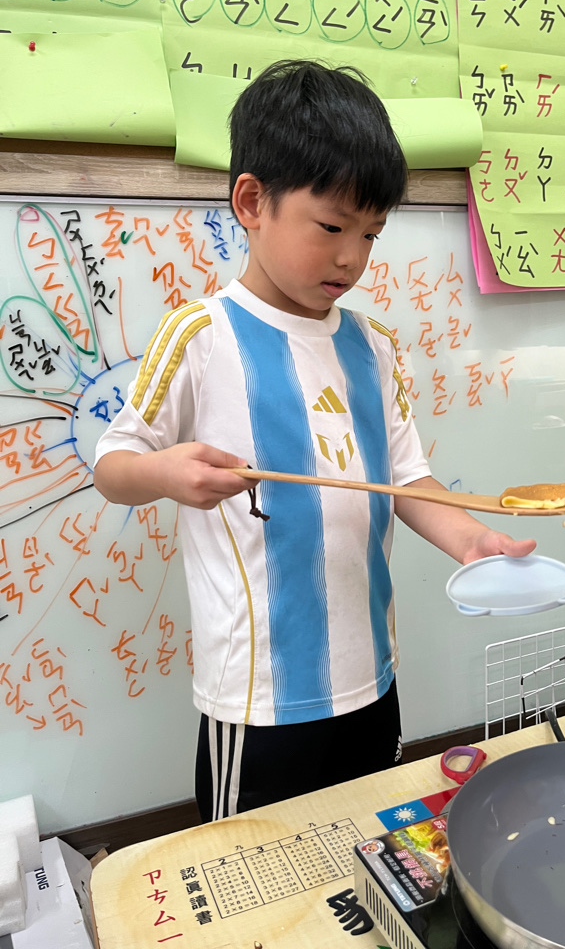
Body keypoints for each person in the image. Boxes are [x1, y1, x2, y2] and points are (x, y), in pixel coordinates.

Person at [93, 60, 535, 822]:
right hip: (257, 697)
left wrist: (471, 541)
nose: (352, 257)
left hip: (371, 679)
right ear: (252, 202)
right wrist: (164, 472)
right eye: (332, 227)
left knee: (370, 846)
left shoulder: (374, 346)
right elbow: (112, 464)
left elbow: (407, 480)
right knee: (249, 865)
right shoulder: (200, 335)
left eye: (371, 234)